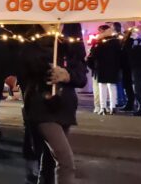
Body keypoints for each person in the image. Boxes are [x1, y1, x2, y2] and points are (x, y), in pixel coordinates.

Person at [18, 23, 87, 184]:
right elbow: (27, 66)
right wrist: (49, 37)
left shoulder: (72, 38)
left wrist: (68, 75)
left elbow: (82, 76)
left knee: (48, 160)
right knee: (66, 161)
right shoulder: (31, 39)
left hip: (65, 107)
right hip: (41, 106)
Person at [87, 25, 121, 115]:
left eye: (102, 31)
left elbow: (92, 55)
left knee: (106, 86)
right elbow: (92, 55)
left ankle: (108, 107)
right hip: (105, 67)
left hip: (104, 67)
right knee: (107, 87)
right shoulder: (113, 41)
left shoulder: (109, 42)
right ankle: (107, 107)